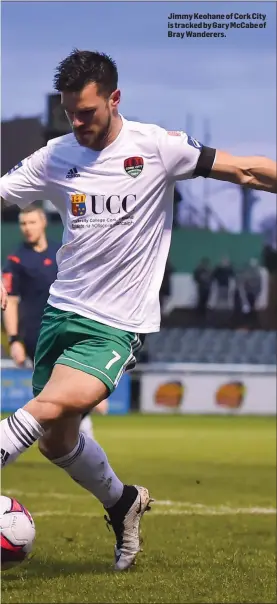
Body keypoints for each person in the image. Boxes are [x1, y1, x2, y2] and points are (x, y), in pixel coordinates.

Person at [0, 49, 276, 571]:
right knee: (57, 443)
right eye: (69, 113)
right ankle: (123, 503)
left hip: (117, 324)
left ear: (114, 98)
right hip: (63, 314)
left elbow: (242, 170)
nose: (77, 123)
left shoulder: (156, 147)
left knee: (50, 407)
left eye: (87, 112)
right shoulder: (55, 156)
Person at [2, 203, 107, 439]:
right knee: (56, 390)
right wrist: (14, 339)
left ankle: (75, 433)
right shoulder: (16, 260)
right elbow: (11, 301)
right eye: (22, 223)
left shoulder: (62, 252)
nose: (27, 228)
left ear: (43, 223)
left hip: (67, 329)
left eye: (31, 222)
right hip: (35, 336)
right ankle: (76, 434)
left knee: (67, 387)